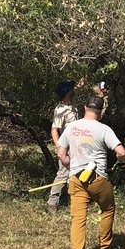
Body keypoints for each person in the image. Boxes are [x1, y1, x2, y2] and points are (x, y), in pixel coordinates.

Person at [57, 96, 125, 249]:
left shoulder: (71, 127)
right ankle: (106, 247)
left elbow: (61, 153)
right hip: (97, 178)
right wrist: (119, 160)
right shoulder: (104, 129)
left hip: (76, 179)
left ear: (85, 107)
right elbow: (121, 152)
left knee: (78, 219)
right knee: (108, 209)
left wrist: (70, 165)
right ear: (100, 112)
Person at [45, 81, 78, 214]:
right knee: (63, 173)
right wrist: (59, 147)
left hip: (76, 145)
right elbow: (54, 130)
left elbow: (78, 89)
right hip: (66, 146)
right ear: (66, 93)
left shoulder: (72, 104)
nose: (73, 90)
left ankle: (70, 199)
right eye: (70, 89)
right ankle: (51, 203)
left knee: (76, 172)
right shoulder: (60, 110)